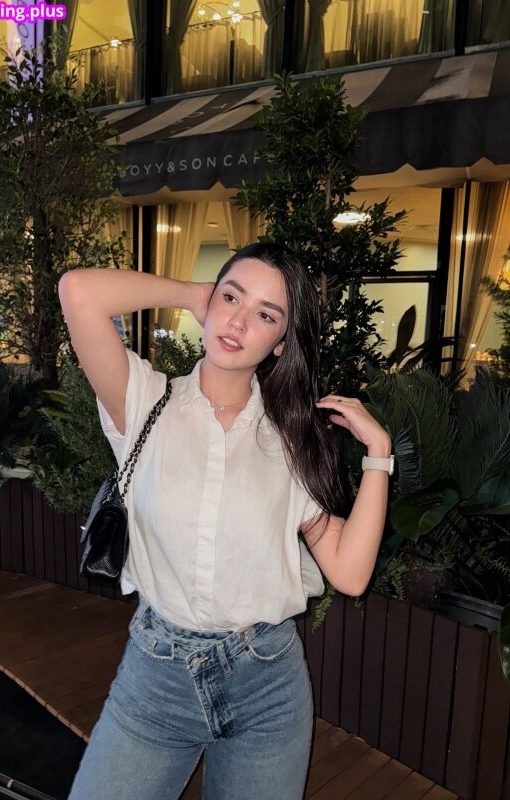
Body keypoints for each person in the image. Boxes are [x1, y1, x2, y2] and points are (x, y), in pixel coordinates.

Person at [59, 242, 392, 800]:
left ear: (280, 342)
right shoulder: (143, 401)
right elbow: (78, 291)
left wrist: (379, 456)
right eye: (231, 298)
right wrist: (195, 294)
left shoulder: (291, 441)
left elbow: (350, 573)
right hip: (156, 680)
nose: (238, 321)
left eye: (265, 314)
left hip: (267, 686)